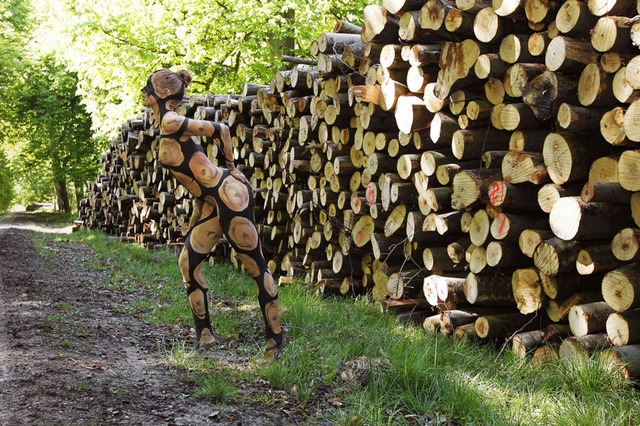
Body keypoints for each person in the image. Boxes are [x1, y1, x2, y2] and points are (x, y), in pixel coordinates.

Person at [141, 69, 288, 361]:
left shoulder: (170, 121)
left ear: (164, 93)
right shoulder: (165, 124)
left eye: (148, 87)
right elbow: (195, 176)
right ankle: (205, 335)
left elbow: (220, 128)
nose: (143, 91)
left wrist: (233, 168)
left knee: (256, 267)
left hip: (228, 194)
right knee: (187, 263)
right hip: (211, 200)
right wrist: (198, 211)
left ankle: (276, 338)